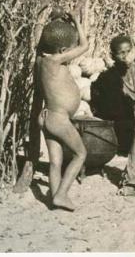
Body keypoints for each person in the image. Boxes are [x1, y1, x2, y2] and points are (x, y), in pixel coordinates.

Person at [35, 12, 89, 211]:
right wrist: (76, 20)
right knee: (80, 153)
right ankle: (63, 194)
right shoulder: (55, 61)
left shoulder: (41, 60)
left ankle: (55, 197)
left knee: (55, 162)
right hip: (59, 118)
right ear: (63, 50)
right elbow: (85, 46)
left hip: (46, 115)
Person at [91, 35, 135, 154]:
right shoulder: (110, 76)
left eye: (128, 51)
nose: (126, 56)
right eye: (121, 53)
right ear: (113, 56)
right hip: (120, 118)